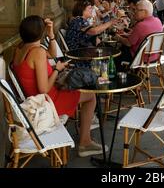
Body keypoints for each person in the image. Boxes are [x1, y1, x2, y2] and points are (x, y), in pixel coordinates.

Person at [12, 16, 103, 157]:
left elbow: (53, 54)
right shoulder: (37, 52)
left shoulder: (20, 48)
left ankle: (83, 131)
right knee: (90, 96)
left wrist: (51, 36)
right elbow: (44, 89)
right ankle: (85, 142)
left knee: (75, 88)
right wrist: (57, 70)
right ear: (40, 33)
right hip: (46, 102)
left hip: (32, 98)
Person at [115, 0, 163, 67]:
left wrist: (118, 38)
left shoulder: (141, 25)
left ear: (145, 11)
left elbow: (128, 43)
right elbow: (142, 36)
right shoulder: (158, 21)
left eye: (136, 10)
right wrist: (126, 35)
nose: (134, 12)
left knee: (116, 54)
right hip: (155, 56)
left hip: (140, 58)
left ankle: (122, 75)